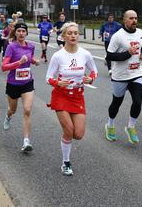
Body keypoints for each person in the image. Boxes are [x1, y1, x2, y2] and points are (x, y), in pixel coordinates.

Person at [46, 22, 98, 176]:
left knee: (79, 134)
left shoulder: (85, 54)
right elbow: (48, 77)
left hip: (77, 96)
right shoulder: (58, 56)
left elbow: (94, 71)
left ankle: (66, 142)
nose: (73, 35)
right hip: (61, 95)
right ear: (63, 36)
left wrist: (91, 79)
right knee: (69, 131)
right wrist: (57, 82)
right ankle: (66, 163)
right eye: (70, 33)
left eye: (76, 33)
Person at [104, 10, 142, 144]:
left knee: (138, 102)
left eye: (136, 18)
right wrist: (127, 54)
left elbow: (141, 45)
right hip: (120, 76)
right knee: (117, 103)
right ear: (125, 20)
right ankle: (110, 125)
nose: (134, 21)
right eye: (131, 18)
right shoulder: (117, 36)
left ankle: (131, 127)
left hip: (136, 73)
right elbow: (109, 56)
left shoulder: (141, 33)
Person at [1, 23, 40, 152]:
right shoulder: (11, 47)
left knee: (27, 110)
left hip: (27, 83)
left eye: (24, 31)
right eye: (19, 31)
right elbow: (3, 67)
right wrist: (19, 63)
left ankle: (26, 141)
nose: (21, 33)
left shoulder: (31, 47)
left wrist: (34, 61)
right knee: (13, 109)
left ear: (27, 33)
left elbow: (30, 58)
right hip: (13, 84)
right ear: (15, 33)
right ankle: (8, 116)